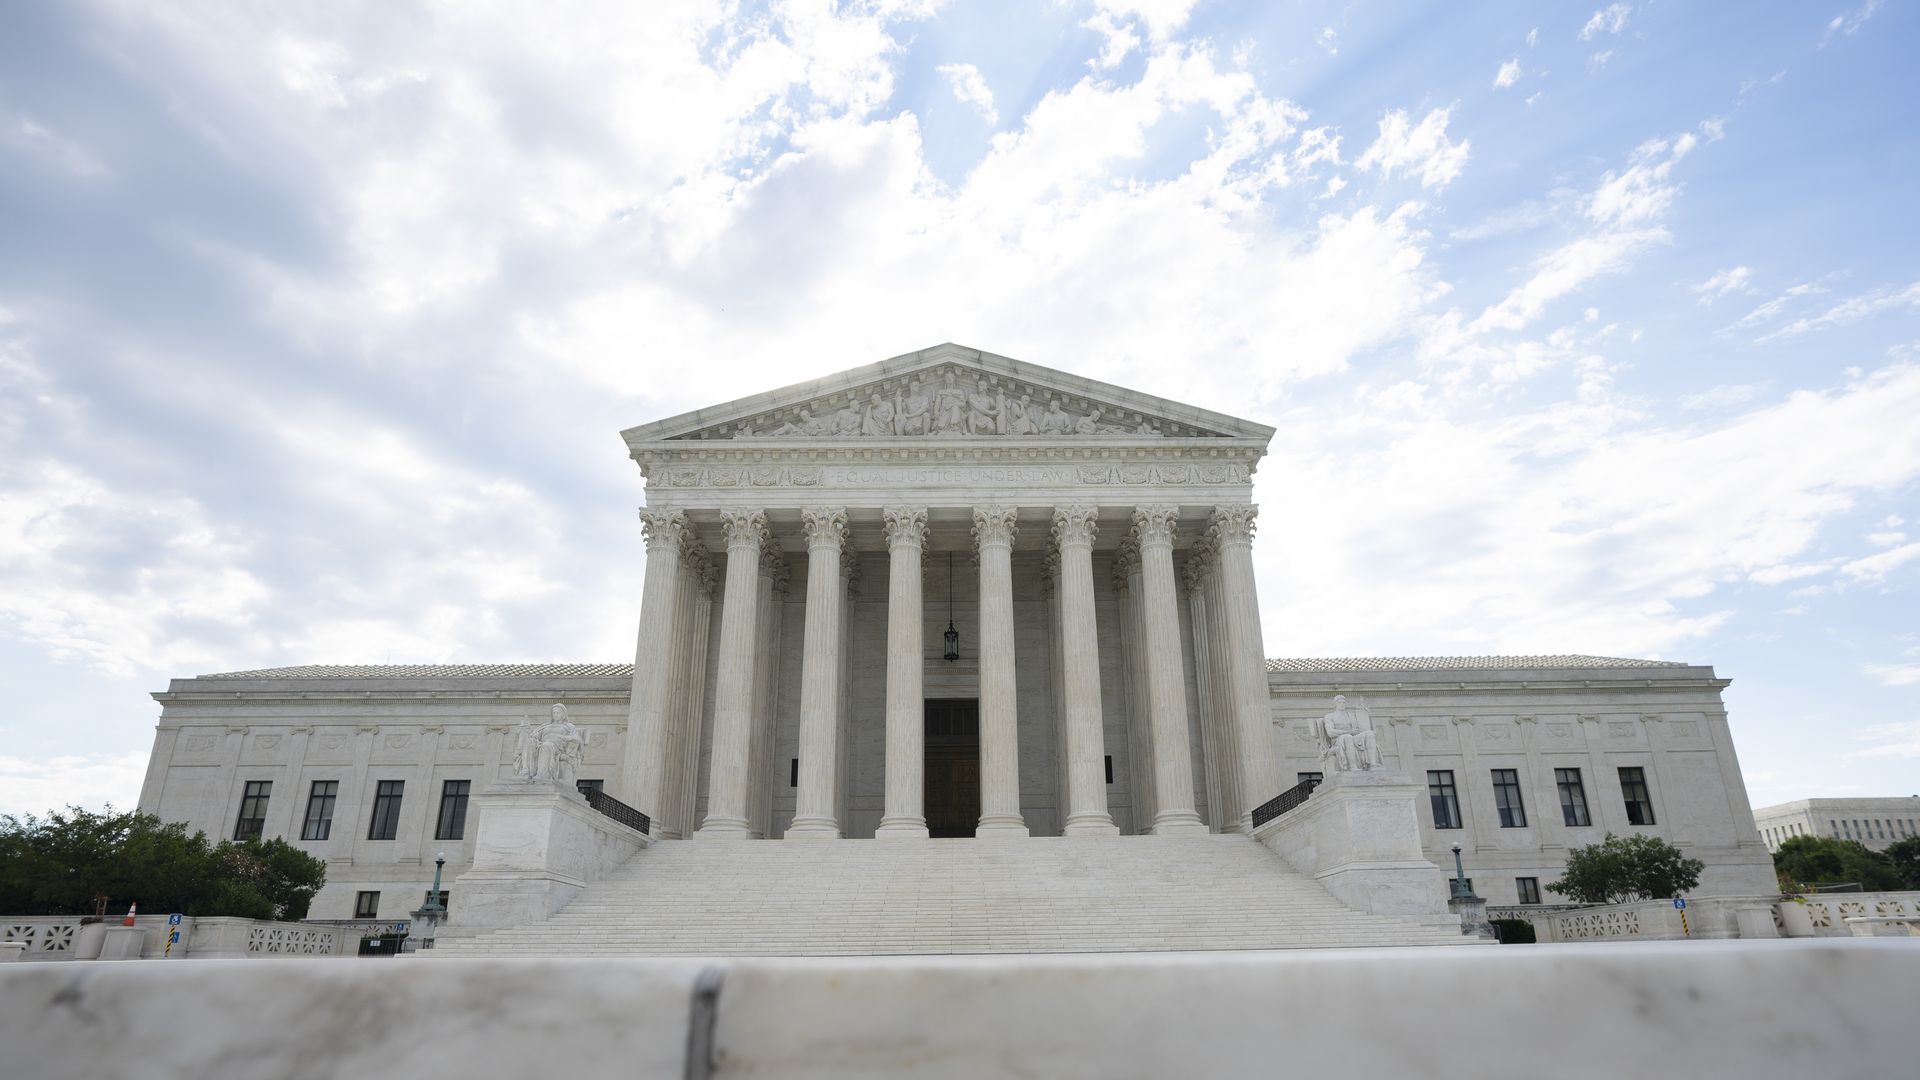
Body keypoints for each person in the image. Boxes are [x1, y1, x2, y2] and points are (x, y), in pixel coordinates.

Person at [1319, 695, 1381, 771]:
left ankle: (1373, 765)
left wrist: (1365, 714)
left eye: (1344, 702)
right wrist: (1348, 732)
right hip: (1338, 740)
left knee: (1369, 734)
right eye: (1340, 702)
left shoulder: (1350, 715)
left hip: (1353, 737)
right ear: (1335, 704)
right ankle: (1352, 766)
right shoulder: (1330, 716)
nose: (1342, 704)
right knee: (1347, 737)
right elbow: (1330, 732)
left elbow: (1361, 728)